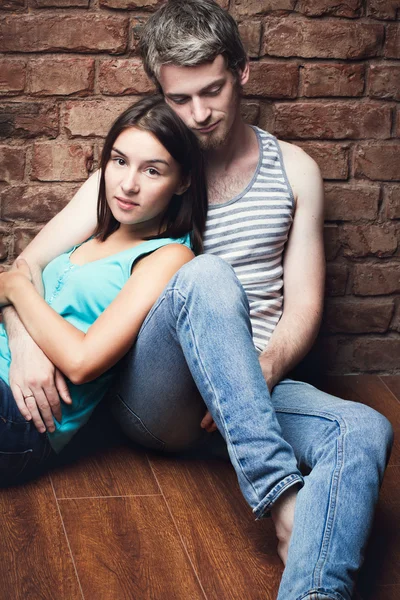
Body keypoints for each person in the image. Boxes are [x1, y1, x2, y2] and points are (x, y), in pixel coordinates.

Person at [1, 1, 393, 599]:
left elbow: (304, 307)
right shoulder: (144, 170)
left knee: (365, 427)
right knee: (208, 276)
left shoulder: (297, 171)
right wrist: (25, 343)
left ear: (242, 72)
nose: (200, 114)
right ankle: (276, 492)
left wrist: (259, 372)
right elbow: (25, 266)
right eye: (180, 99)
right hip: (157, 390)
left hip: (256, 388)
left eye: (212, 91)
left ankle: (315, 591)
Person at [0, 94, 207, 482]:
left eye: (152, 171)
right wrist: (20, 327)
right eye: (120, 161)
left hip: (24, 414)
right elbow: (13, 277)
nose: (127, 185)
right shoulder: (98, 226)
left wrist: (17, 286)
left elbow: (81, 362)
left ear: (183, 181)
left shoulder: (168, 257)